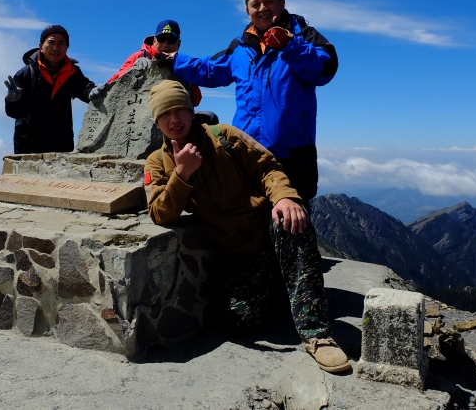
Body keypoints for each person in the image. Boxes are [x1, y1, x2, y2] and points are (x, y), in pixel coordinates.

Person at [143, 80, 349, 373]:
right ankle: (281, 281)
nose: (174, 119)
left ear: (191, 110)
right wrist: (182, 173)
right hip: (240, 254)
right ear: (157, 120)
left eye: (180, 110)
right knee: (240, 322)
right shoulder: (156, 162)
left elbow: (268, 166)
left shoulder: (224, 136)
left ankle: (317, 335)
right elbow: (160, 213)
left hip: (266, 227)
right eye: (166, 113)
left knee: (291, 222)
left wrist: (284, 197)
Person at [165, 0, 338, 212]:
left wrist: (288, 45)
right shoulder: (241, 46)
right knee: (249, 217)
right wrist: (175, 61)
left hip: (291, 156)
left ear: (282, 4)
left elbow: (325, 69)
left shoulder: (302, 36)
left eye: (269, 1)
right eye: (255, 4)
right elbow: (210, 69)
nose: (262, 8)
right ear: (248, 11)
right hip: (246, 151)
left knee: (292, 223)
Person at [4, 25, 95, 154]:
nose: (56, 48)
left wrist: (95, 92)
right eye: (51, 42)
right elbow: (14, 113)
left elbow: (85, 89)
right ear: (41, 46)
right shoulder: (26, 73)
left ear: (67, 47)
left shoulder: (72, 72)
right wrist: (13, 100)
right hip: (29, 145)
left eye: (61, 43)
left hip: (61, 144)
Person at [90, 20, 202, 107]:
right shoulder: (138, 56)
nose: (165, 44)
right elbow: (118, 80)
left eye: (171, 40)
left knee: (209, 117)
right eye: (161, 39)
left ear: (178, 43)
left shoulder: (182, 64)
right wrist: (132, 68)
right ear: (154, 40)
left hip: (171, 118)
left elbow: (196, 100)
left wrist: (187, 78)